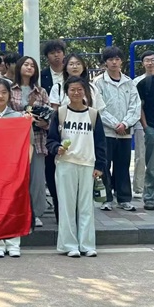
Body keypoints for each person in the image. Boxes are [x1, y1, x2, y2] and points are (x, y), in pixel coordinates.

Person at [47, 76, 106, 257]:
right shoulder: (60, 113)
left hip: (88, 164)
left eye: (80, 89)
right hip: (66, 164)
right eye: (72, 89)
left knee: (86, 207)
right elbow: (51, 140)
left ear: (85, 92)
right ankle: (69, 245)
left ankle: (87, 245)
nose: (76, 93)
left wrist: (100, 166)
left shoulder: (93, 114)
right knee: (66, 206)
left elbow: (100, 143)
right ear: (67, 92)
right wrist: (57, 148)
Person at [0, 79, 33, 258]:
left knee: (13, 204)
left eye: (4, 92)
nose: (0, 96)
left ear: (10, 95)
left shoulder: (19, 117)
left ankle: (13, 242)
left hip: (13, 168)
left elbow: (29, 143)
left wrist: (25, 164)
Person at [93, 47, 141, 212]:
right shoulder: (98, 82)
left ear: (121, 61)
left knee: (123, 166)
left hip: (125, 133)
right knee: (104, 165)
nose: (114, 62)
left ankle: (124, 198)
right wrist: (115, 124)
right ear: (105, 62)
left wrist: (125, 124)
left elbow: (135, 106)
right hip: (106, 132)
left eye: (117, 59)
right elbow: (99, 108)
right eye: (110, 59)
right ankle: (106, 199)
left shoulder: (129, 82)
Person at [10, 56, 50, 227]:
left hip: (38, 140)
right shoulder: (10, 89)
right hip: (15, 142)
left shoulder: (41, 92)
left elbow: (50, 115)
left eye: (32, 65)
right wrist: (23, 117)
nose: (29, 67)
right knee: (17, 179)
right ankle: (16, 212)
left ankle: (35, 213)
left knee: (37, 180)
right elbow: (6, 113)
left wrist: (44, 123)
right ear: (19, 67)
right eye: (26, 64)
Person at [137, 53, 154, 211]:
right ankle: (151, 198)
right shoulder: (146, 84)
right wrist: (146, 126)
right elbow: (139, 106)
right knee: (152, 166)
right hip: (153, 129)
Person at [133, 50, 154, 199]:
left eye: (153, 60)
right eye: (147, 60)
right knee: (141, 156)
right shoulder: (137, 82)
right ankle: (139, 188)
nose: (150, 63)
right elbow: (136, 105)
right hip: (141, 124)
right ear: (142, 63)